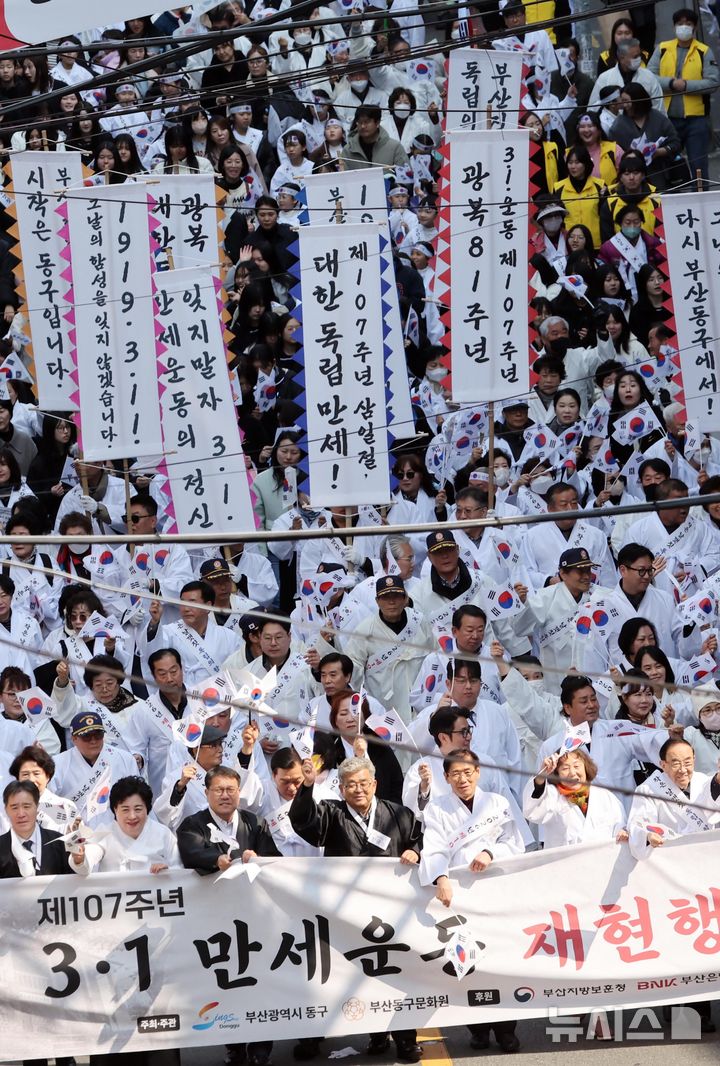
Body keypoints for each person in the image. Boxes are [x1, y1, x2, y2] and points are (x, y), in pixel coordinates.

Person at [290, 754, 423, 1063]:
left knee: (396, 975)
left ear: (374, 784)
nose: (358, 790)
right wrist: (308, 785)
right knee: (342, 975)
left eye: (364, 783)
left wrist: (414, 852)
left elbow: (418, 840)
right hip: (345, 912)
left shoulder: (398, 813)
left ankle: (405, 1039)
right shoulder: (331, 813)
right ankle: (345, 1035)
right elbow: (303, 822)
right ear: (341, 788)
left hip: (390, 912)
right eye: (351, 785)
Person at [419, 749, 524, 1053]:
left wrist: (490, 853)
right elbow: (434, 847)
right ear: (446, 778)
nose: (462, 779)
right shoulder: (437, 808)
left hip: (495, 891)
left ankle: (506, 1030)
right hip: (459, 895)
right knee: (464, 962)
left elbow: (513, 841)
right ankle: (477, 1029)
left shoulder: (497, 803)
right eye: (456, 774)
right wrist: (440, 878)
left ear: (478, 772)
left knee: (500, 960)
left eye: (468, 773)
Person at [178, 764, 278, 1066]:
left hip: (253, 914)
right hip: (215, 919)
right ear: (206, 793)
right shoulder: (192, 824)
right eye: (218, 790)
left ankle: (261, 1048)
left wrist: (257, 858)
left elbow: (272, 860)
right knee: (226, 982)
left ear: (239, 792)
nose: (225, 795)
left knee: (260, 980)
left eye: (231, 789)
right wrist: (216, 858)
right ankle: (233, 1045)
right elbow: (191, 853)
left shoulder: (254, 822)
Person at [648, 7, 719, 186]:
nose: (684, 27)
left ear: (694, 27)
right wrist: (671, 84)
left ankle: (702, 203)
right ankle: (668, 201)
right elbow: (649, 76)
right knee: (666, 165)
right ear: (674, 27)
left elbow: (713, 82)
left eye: (688, 24)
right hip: (667, 119)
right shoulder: (663, 49)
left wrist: (687, 86)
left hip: (697, 120)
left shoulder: (704, 51)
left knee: (698, 166)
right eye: (680, 24)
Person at [72, 775, 180, 874]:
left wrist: (167, 871)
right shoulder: (105, 833)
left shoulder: (163, 833)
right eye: (125, 810)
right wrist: (80, 858)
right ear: (115, 809)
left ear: (147, 808)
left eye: (138, 809)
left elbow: (180, 870)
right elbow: (89, 855)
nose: (132, 816)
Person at [524, 748, 627, 848]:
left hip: (603, 861)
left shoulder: (605, 797)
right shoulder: (551, 796)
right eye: (565, 768)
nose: (572, 773)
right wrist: (542, 776)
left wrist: (624, 832)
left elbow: (620, 827)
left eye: (576, 766)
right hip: (565, 863)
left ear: (586, 768)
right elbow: (532, 810)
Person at [0, 779, 75, 877]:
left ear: (38, 807)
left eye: (27, 806)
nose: (21, 814)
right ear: (6, 810)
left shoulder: (59, 842)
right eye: (14, 808)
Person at [341, 104, 409, 171]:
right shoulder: (348, 150)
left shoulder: (395, 147)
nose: (363, 126)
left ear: (377, 123)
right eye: (359, 122)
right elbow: (343, 179)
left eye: (367, 122)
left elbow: (407, 177)